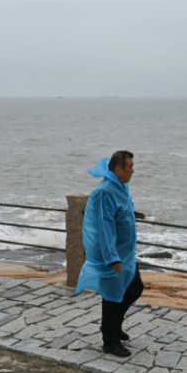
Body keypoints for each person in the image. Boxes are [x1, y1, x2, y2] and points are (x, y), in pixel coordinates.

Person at [74, 151, 144, 358]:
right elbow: (104, 226)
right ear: (118, 169)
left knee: (133, 288)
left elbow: (121, 212)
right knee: (113, 296)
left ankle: (112, 327)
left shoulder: (120, 186)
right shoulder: (105, 191)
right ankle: (110, 341)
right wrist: (111, 258)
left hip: (126, 252)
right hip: (112, 255)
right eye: (130, 166)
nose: (133, 170)